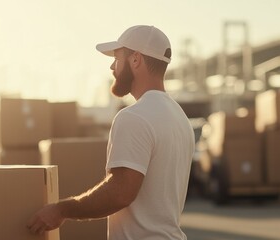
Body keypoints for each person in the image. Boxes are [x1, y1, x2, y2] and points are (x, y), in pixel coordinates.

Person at [27, 25, 195, 239]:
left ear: (135, 60)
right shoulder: (179, 118)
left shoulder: (134, 116)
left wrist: (62, 210)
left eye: (117, 58)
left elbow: (120, 193)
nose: (112, 66)